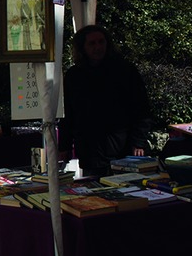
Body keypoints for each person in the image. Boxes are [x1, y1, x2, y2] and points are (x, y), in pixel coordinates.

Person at [58, 24, 151, 177]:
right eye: (92, 43)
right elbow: (68, 113)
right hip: (91, 151)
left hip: (123, 148)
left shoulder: (125, 71)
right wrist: (64, 146)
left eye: (101, 42)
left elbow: (142, 110)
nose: (98, 47)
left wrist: (138, 142)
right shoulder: (75, 76)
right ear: (83, 47)